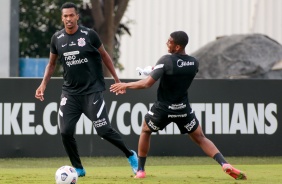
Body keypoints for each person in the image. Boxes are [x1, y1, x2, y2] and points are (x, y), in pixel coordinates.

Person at [110, 31, 247, 180]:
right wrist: (155, 69)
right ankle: (224, 164)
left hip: (163, 108)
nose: (167, 43)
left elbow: (147, 84)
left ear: (177, 47)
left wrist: (125, 85)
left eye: (170, 42)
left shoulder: (166, 60)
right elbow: (175, 70)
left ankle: (141, 170)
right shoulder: (194, 63)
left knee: (145, 130)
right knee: (200, 137)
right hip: (183, 109)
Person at [35, 2, 137, 177]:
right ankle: (79, 168)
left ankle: (130, 154)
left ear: (77, 17)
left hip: (92, 91)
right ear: (62, 18)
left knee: (103, 130)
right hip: (70, 94)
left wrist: (117, 80)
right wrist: (43, 84)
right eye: (65, 16)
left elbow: (105, 56)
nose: (68, 19)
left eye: (71, 15)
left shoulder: (89, 35)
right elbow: (51, 64)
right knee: (65, 131)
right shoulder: (57, 38)